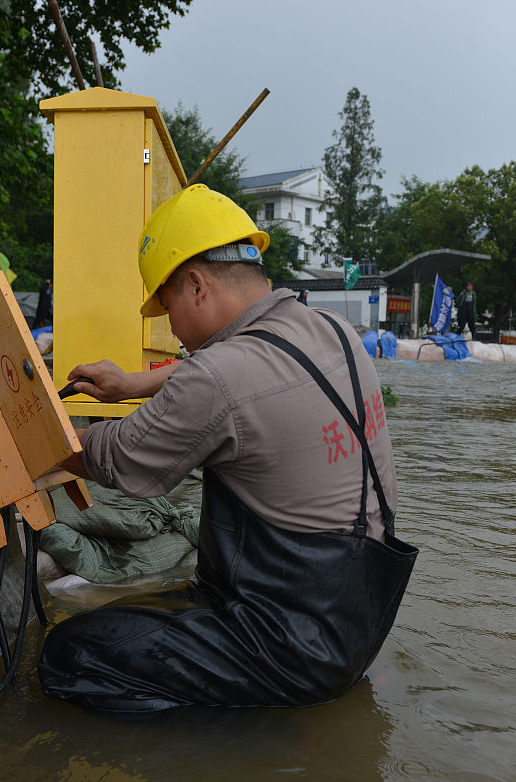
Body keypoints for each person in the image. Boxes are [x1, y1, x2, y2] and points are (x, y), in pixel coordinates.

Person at [37, 184, 418, 713]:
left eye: (166, 304)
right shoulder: (332, 329)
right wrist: (131, 384)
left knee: (69, 654)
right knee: (136, 618)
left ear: (196, 285)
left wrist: (31, 436)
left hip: (283, 641)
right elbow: (241, 374)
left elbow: (118, 457)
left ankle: (242, 756)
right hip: (357, 620)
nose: (169, 325)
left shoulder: (220, 376)